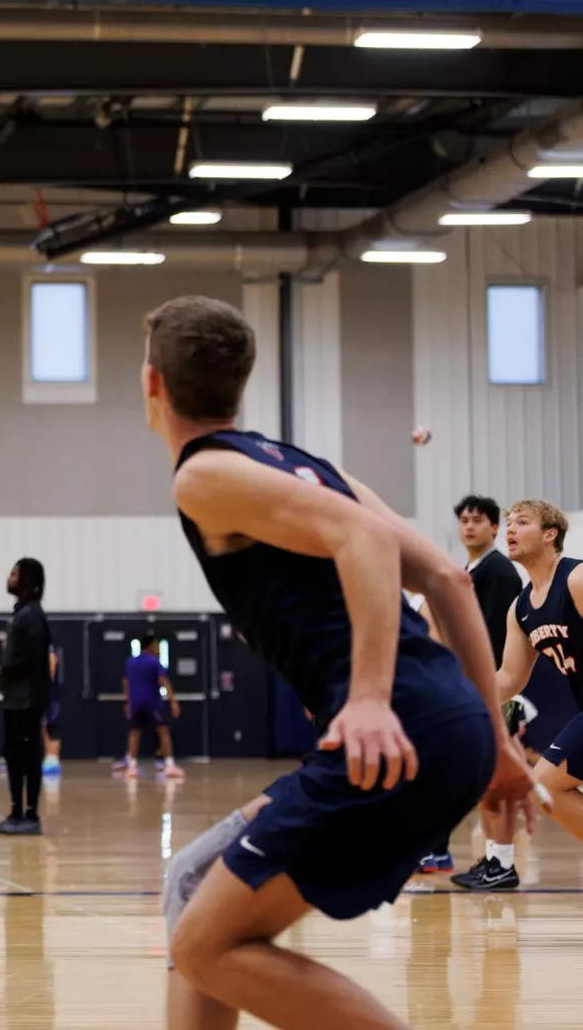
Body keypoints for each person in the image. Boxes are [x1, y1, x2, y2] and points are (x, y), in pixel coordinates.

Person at [141, 295, 533, 1030]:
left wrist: (370, 697)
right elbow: (447, 581)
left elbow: (367, 542)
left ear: (151, 385)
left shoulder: (200, 476)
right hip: (449, 717)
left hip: (402, 720)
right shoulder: (300, 464)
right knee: (194, 884)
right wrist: (498, 742)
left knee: (205, 945)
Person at [418, 495, 522, 879]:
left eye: (478, 520)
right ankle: (443, 851)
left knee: (487, 777)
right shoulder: (470, 569)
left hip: (486, 690)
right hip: (464, 690)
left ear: (494, 527)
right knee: (456, 773)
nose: (469, 526)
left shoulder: (497, 571)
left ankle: (499, 862)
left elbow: (490, 641)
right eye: (463, 519)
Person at [489, 500, 583, 848]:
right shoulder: (521, 608)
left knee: (546, 782)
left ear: (550, 534)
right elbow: (509, 679)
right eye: (508, 523)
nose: (510, 529)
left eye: (522, 522)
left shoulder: (576, 579)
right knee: (546, 789)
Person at [0, 557, 54, 834]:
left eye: (14, 573)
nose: (9, 577)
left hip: (27, 700)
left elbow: (32, 661)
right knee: (13, 755)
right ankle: (16, 813)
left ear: (26, 579)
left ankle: (30, 817)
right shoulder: (21, 613)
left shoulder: (32, 616)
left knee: (27, 756)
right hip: (16, 698)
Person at [121, 640, 184, 781]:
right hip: (153, 703)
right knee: (163, 732)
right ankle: (169, 764)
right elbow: (163, 680)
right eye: (156, 646)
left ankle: (131, 766)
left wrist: (128, 701)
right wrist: (173, 701)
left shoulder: (130, 662)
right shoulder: (154, 662)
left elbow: (126, 682)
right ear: (149, 646)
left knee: (134, 733)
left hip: (136, 703)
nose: (157, 649)